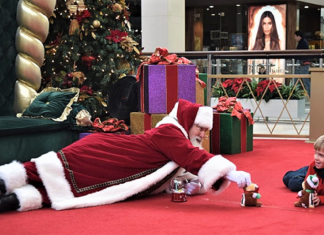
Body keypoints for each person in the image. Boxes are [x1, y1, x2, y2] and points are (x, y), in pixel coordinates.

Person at [0, 99, 252, 213]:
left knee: (71, 189)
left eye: (206, 131)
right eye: (201, 128)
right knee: (46, 170)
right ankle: (5, 181)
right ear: (188, 121)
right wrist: (230, 172)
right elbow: (193, 158)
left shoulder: (179, 140)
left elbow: (178, 174)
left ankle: (13, 202)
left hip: (118, 168)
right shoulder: (171, 133)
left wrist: (193, 186)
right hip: (105, 154)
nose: (203, 135)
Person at [284, 135, 324, 206]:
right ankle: (299, 172)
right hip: (312, 169)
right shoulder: (313, 164)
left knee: (293, 183)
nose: (316, 157)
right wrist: (309, 192)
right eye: (315, 153)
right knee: (286, 178)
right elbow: (307, 182)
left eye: (321, 155)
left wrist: (320, 198)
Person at [294, 30, 311, 97]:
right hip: (302, 64)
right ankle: (294, 95)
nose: (295, 38)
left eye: (295, 36)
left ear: (299, 36)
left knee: (305, 82)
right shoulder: (303, 42)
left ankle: (311, 96)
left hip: (302, 65)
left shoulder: (303, 43)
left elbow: (302, 55)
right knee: (297, 82)